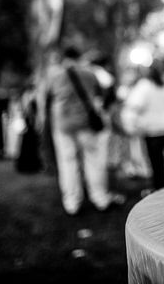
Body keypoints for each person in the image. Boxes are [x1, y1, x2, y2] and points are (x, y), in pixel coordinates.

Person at [44, 45, 122, 215]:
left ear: (64, 57)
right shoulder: (89, 73)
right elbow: (101, 95)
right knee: (94, 160)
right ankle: (100, 198)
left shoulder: (54, 74)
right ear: (78, 57)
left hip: (63, 124)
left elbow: (47, 99)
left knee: (67, 162)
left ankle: (72, 202)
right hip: (87, 123)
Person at [123, 65, 164, 190]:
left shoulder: (144, 86)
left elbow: (133, 106)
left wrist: (130, 125)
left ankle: (159, 188)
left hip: (152, 130)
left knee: (156, 163)